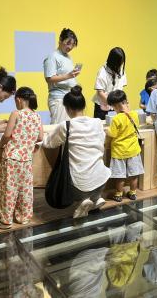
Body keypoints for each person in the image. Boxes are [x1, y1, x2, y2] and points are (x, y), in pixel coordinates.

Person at [42, 86, 110, 218]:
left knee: (77, 180)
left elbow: (49, 143)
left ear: (67, 108)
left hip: (80, 185)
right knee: (94, 176)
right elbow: (102, 139)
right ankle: (96, 198)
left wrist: (43, 137)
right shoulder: (97, 122)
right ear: (84, 106)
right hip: (102, 179)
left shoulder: (66, 126)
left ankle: (82, 201)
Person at [0, 87, 43, 229]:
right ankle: (23, 218)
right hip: (26, 159)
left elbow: (7, 135)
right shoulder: (36, 116)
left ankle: (5, 221)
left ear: (19, 100)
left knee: (8, 189)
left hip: (12, 158)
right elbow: (40, 137)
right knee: (25, 190)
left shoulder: (16, 114)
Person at [106, 90, 144, 202]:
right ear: (125, 101)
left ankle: (118, 194)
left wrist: (106, 132)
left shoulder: (116, 119)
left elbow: (112, 134)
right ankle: (132, 193)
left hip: (119, 151)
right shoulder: (135, 115)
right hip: (133, 150)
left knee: (120, 175)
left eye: (113, 106)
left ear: (116, 105)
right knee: (134, 174)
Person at [43, 28, 80, 124]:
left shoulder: (68, 57)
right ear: (60, 40)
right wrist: (68, 76)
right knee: (59, 127)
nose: (70, 47)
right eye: (68, 43)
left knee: (69, 127)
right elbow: (49, 78)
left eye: (73, 45)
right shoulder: (52, 57)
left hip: (70, 97)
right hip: (59, 98)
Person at [92, 47, 127, 120]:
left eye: (121, 62)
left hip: (116, 106)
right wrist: (112, 103)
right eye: (119, 63)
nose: (120, 65)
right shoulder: (103, 72)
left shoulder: (121, 70)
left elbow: (121, 89)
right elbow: (100, 92)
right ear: (113, 61)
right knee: (102, 125)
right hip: (103, 107)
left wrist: (122, 104)